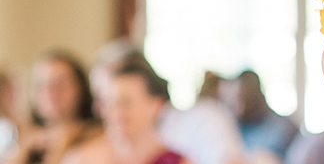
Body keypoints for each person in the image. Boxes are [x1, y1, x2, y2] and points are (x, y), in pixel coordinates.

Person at [89, 43, 243, 164]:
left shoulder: (204, 119)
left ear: (154, 103)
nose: (105, 110)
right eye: (108, 101)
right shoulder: (90, 155)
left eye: (124, 101)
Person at [7, 51, 101, 164]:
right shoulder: (23, 138)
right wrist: (23, 149)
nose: (50, 92)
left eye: (60, 83)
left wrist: (61, 146)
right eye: (41, 85)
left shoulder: (97, 136)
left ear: (81, 88)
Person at [218, 71, 297, 161]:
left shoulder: (283, 128)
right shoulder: (234, 126)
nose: (236, 108)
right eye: (231, 101)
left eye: (240, 99)